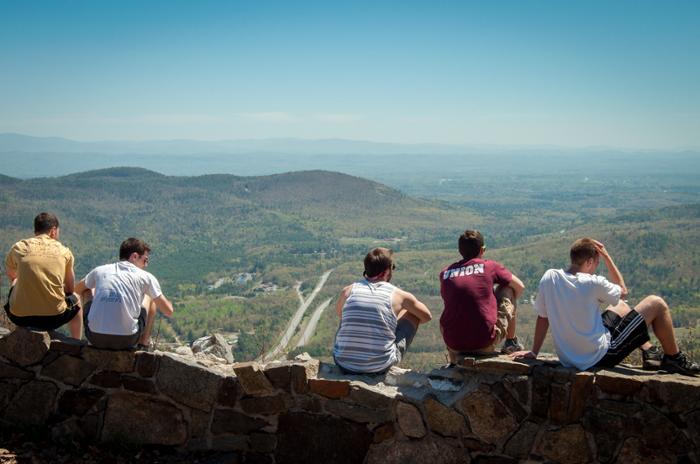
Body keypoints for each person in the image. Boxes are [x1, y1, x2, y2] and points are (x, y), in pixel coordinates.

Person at [512, 238, 699, 376]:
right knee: (656, 303)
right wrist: (608, 256)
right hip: (601, 355)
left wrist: (534, 351)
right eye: (596, 263)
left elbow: (543, 317)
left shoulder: (550, 277)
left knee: (622, 306)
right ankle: (674, 359)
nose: (596, 267)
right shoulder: (592, 283)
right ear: (589, 262)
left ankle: (649, 350)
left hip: (569, 357)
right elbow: (623, 290)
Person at [333, 247, 432, 374]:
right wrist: (398, 315)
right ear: (386, 271)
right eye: (392, 267)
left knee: (346, 315)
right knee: (412, 314)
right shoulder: (399, 296)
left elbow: (339, 314)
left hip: (343, 363)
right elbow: (426, 316)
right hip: (379, 366)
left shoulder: (348, 291)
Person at [440, 230, 525, 362]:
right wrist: (503, 306)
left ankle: (453, 361)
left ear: (460, 250)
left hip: (453, 344)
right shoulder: (489, 266)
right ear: (482, 250)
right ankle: (511, 343)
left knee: (453, 307)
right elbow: (519, 287)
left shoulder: (445, 273)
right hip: (484, 343)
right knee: (508, 288)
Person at [74, 238, 174, 350]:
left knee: (87, 289)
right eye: (145, 260)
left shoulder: (100, 271)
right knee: (150, 296)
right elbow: (168, 311)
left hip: (94, 337)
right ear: (134, 256)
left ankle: (79, 340)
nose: (146, 265)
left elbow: (77, 290)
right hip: (127, 339)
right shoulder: (146, 277)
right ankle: (143, 345)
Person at [4, 212, 82, 338]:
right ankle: (76, 342)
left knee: (16, 281)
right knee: (76, 299)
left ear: (36, 230)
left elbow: (12, 275)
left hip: (18, 317)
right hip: (53, 318)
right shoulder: (64, 251)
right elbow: (69, 289)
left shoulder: (19, 247)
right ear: (53, 231)